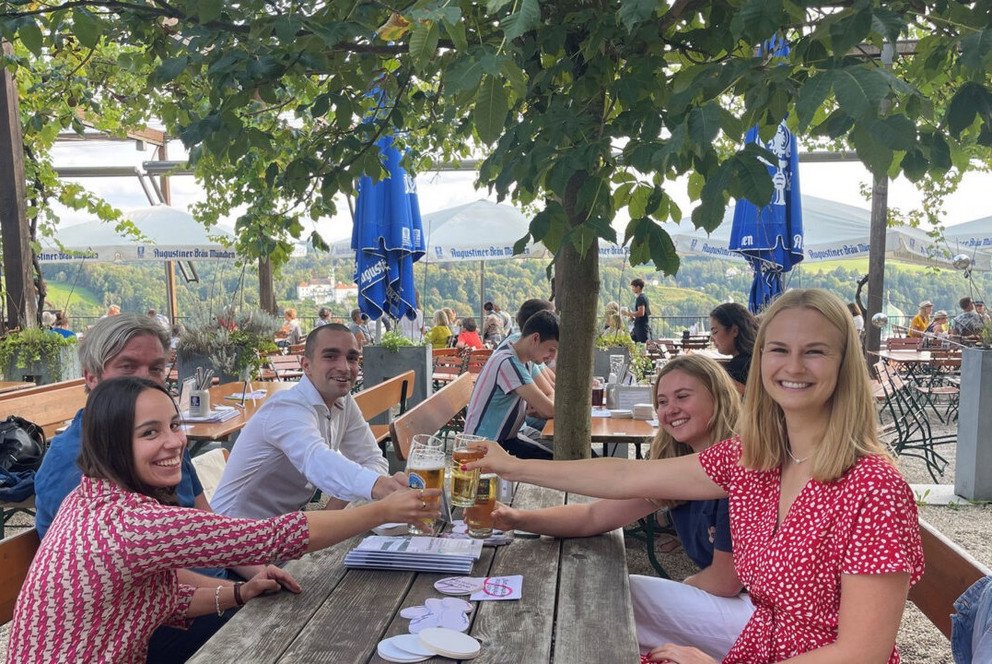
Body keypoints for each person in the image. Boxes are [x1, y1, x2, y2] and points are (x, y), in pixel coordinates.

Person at [465, 289, 924, 663]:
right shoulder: (756, 457)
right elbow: (626, 479)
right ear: (761, 360)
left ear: (845, 365)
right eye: (779, 349)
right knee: (598, 610)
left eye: (815, 352)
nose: (794, 366)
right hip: (757, 643)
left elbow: (862, 651)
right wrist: (512, 464)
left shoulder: (874, 488)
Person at [6, 376, 437, 664]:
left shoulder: (89, 498)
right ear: (112, 445)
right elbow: (273, 537)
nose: (175, 441)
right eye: (149, 432)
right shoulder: (133, 523)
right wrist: (380, 510)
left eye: (174, 425)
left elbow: (156, 599)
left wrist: (239, 591)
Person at [491, 355, 752, 659]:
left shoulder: (738, 464)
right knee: (606, 594)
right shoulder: (678, 469)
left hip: (756, 615)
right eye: (663, 402)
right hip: (730, 608)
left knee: (620, 596)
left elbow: (725, 582)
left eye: (683, 396)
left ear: (718, 397)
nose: (670, 410)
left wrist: (512, 466)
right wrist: (517, 518)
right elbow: (593, 516)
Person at [31, 314, 258, 662]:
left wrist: (259, 575)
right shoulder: (74, 461)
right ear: (91, 377)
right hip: (145, 626)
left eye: (155, 369)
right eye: (127, 367)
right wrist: (242, 594)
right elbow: (151, 580)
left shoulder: (157, 438)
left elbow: (209, 523)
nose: (145, 381)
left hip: (208, 595)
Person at [211, 324, 407, 518]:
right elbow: (316, 460)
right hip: (236, 531)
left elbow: (371, 458)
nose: (344, 367)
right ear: (306, 365)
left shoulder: (343, 400)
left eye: (352, 358)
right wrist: (377, 485)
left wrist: (332, 513)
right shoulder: (287, 407)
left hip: (283, 529)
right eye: (330, 356)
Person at [464, 310, 559, 460]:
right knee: (567, 460)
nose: (553, 356)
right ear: (535, 338)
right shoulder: (507, 363)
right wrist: (544, 406)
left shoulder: (520, 348)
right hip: (489, 444)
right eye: (551, 349)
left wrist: (545, 405)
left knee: (574, 453)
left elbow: (549, 393)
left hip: (512, 434)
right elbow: (549, 410)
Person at [708, 302, 758, 395]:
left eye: (714, 332)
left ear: (734, 331)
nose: (711, 339)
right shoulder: (757, 357)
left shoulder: (738, 369)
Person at [627, 278, 652, 343]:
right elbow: (646, 313)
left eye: (633, 287)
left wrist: (629, 313)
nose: (632, 289)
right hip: (639, 327)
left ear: (638, 287)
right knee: (631, 342)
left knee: (641, 347)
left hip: (641, 328)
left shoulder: (640, 298)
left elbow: (641, 313)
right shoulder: (644, 297)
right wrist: (634, 317)